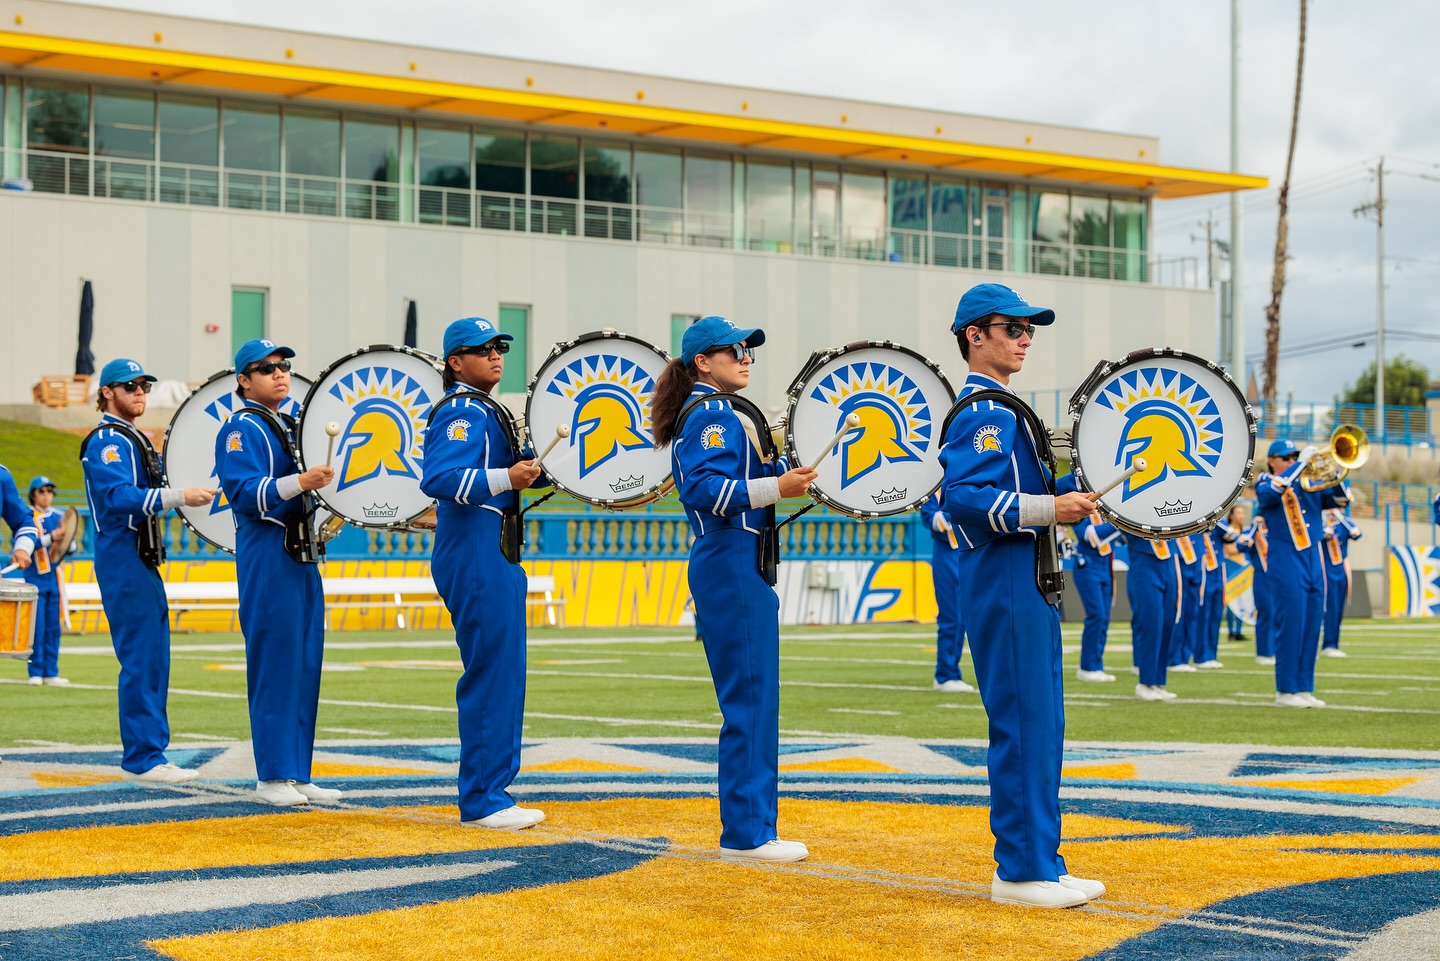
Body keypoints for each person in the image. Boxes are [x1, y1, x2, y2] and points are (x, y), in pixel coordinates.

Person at [940, 283, 1104, 908]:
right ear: (974, 336)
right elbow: (966, 498)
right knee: (1022, 724)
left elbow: (1022, 487)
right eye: (1012, 327)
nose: (1025, 337)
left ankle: (1041, 860)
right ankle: (1021, 870)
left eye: (1029, 329)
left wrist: (1077, 488)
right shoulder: (985, 410)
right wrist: (1052, 506)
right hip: (1006, 577)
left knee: (1042, 724)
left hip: (1027, 577)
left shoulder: (1006, 408)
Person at [651, 314, 817, 863]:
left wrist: (783, 474)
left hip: (737, 558)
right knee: (749, 698)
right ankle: (746, 834)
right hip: (728, 557)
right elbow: (702, 489)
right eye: (733, 350)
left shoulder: (718, 412)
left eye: (749, 349)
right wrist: (777, 486)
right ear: (702, 362)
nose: (746, 357)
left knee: (756, 696)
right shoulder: (710, 415)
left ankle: (754, 827)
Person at [421, 317, 546, 830]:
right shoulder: (462, 412)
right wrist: (507, 476)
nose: (496, 355)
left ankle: (493, 789)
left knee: (504, 672)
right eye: (483, 349)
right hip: (474, 550)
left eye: (500, 347)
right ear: (456, 362)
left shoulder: (486, 410)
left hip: (492, 550)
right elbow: (440, 477)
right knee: (491, 672)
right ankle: (482, 797)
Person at [216, 339, 339, 807]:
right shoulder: (240, 427)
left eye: (284, 366)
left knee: (305, 661)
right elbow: (245, 493)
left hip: (301, 553)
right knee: (274, 661)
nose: (280, 373)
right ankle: (271, 774)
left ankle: (297, 771)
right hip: (268, 553)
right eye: (266, 369)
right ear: (244, 380)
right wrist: (300, 484)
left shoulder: (287, 423)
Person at [81, 358, 215, 782]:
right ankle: (143, 758)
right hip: (123, 554)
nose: (140, 392)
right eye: (130, 385)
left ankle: (151, 752)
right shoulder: (109, 441)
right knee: (142, 658)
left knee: (154, 658)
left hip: (139, 556)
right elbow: (119, 496)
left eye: (144, 385)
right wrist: (179, 496)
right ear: (107, 392)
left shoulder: (130, 437)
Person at [1255, 439, 1347, 708]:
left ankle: (1304, 687)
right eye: (1287, 457)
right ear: (1273, 460)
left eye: (1295, 456)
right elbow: (1273, 491)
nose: (1292, 460)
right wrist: (1302, 464)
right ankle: (1285, 689)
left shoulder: (1307, 483)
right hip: (1285, 556)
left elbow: (1339, 500)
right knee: (1291, 622)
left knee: (1311, 623)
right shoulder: (1265, 481)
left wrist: (1335, 470)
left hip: (1313, 557)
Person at [1057, 472, 1123, 682]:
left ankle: (1096, 664)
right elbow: (1091, 537)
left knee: (1103, 617)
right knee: (1095, 615)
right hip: (1088, 566)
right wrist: (1120, 522)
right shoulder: (1082, 509)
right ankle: (1088, 666)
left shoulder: (1107, 510)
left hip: (1105, 565)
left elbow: (1118, 539)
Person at [918, 490, 974, 692]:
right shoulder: (932, 490)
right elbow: (934, 521)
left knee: (970, 619)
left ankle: (953, 672)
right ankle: (945, 674)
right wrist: (966, 506)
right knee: (952, 618)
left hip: (971, 551)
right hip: (947, 554)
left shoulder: (964, 482)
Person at [23, 476, 68, 685]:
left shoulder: (59, 517)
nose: (46, 495)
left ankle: (51, 671)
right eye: (41, 491)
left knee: (52, 627)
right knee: (37, 628)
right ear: (33, 494)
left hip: (53, 579)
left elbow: (69, 548)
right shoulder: (26, 517)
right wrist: (52, 538)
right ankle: (35, 671)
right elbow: (27, 543)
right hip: (35, 579)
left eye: (49, 491)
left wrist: (68, 542)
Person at [1127, 536, 1179, 701]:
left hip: (1169, 560)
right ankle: (1145, 682)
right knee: (1151, 624)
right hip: (1145, 560)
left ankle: (1158, 681)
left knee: (1167, 623)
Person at [1320, 507, 1361, 657]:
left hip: (1341, 571)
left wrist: (1341, 518)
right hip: (1325, 571)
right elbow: (1323, 535)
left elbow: (1357, 534)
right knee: (1326, 609)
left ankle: (1332, 644)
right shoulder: (1321, 523)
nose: (1339, 509)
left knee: (1337, 609)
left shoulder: (1345, 524)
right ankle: (1325, 644)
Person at [1167, 533, 1203, 673]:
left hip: (1197, 556)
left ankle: (1185, 657)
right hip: (1181, 555)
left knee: (1192, 613)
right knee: (1179, 611)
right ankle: (1174, 658)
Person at [1194, 524, 1226, 669]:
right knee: (1204, 616)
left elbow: (1231, 537)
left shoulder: (1218, 525)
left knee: (1215, 616)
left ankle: (1211, 654)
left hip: (1218, 572)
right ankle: (1201, 656)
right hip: (1206, 572)